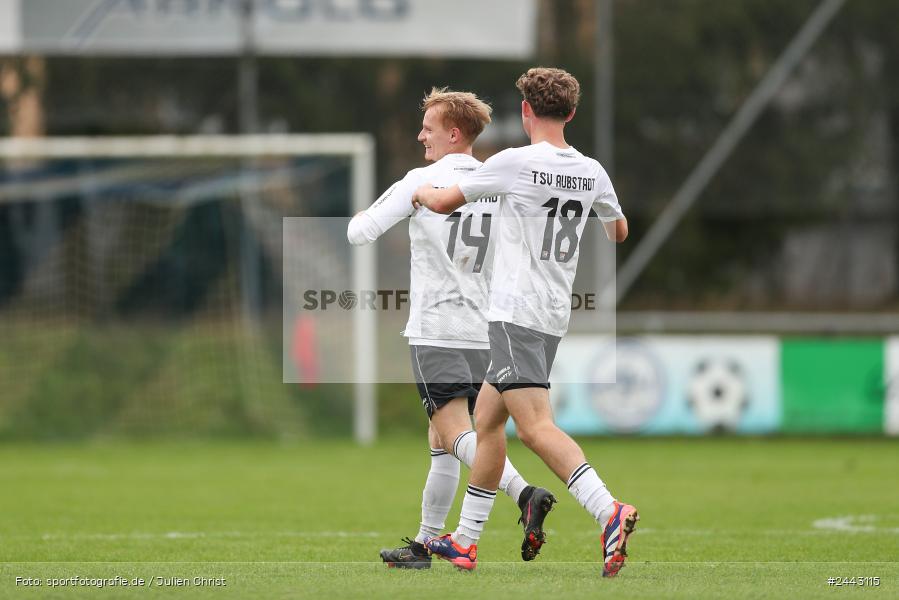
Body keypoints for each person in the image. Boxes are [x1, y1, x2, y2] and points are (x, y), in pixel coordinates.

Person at [412, 68, 637, 576]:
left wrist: (420, 194)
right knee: (488, 422)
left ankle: (609, 510)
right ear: (572, 113)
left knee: (535, 428)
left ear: (526, 112)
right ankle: (465, 541)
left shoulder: (513, 163)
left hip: (514, 313)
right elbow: (619, 231)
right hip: (552, 313)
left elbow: (446, 201)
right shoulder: (592, 171)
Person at [347, 87, 555, 570]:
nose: (421, 134)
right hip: (486, 330)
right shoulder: (495, 181)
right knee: (441, 443)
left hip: (436, 329)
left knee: (457, 433)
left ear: (453, 133)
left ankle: (524, 493)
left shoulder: (423, 180)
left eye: (429, 127)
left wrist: (367, 215)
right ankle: (422, 546)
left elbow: (361, 233)